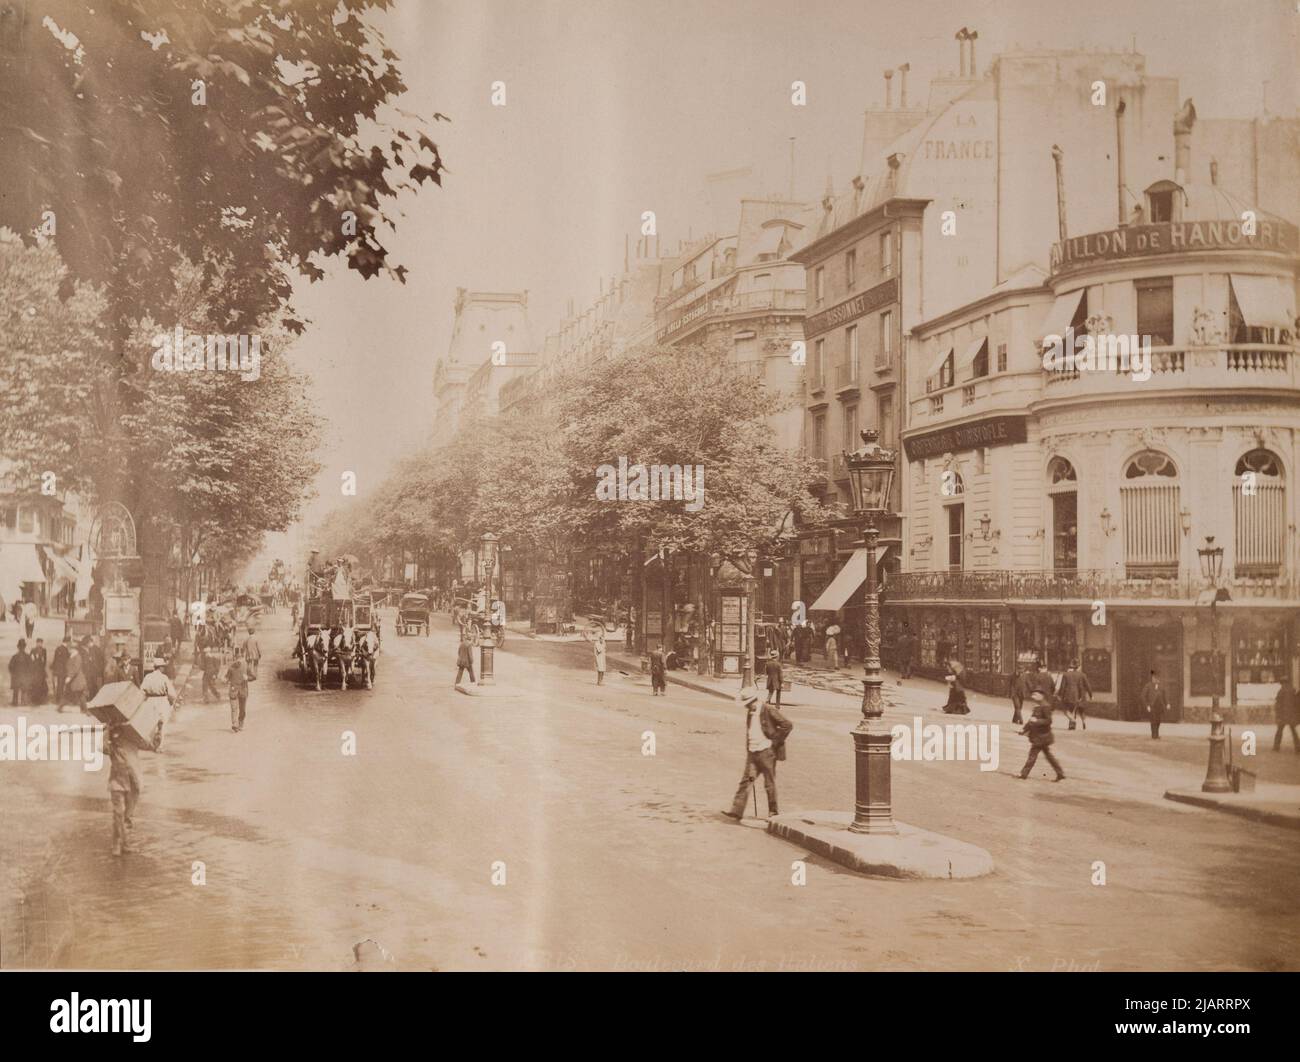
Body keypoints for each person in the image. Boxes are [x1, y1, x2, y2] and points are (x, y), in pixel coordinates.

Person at [723, 686, 792, 821]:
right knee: (746, 781)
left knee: (769, 783)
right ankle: (736, 811)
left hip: (767, 752)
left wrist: (774, 742)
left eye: (747, 705)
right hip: (753, 753)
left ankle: (773, 812)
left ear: (753, 701)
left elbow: (787, 725)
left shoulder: (768, 710)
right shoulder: (750, 712)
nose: (747, 708)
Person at [106, 722, 142, 856]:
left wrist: (160, 727)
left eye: (118, 734)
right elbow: (103, 748)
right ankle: (116, 843)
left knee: (128, 816)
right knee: (118, 813)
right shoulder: (112, 747)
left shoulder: (133, 741)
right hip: (117, 783)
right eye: (114, 735)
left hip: (133, 783)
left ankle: (126, 844)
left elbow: (154, 745)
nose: (117, 737)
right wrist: (107, 730)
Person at [1017, 692, 1065, 781]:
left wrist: (1037, 721)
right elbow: (1031, 720)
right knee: (1048, 756)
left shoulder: (1045, 706)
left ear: (1041, 696)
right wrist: (1024, 729)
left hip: (1042, 736)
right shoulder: (1038, 706)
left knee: (1033, 755)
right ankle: (1060, 773)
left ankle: (1023, 774)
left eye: (1035, 695)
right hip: (1040, 737)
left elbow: (1048, 721)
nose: (1032, 696)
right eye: (1032, 695)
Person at [141, 656, 179, 748]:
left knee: (152, 724)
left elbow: (141, 690)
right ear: (161, 667)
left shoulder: (148, 677)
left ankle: (152, 744)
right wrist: (173, 701)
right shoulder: (164, 677)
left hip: (150, 701)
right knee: (162, 723)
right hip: (162, 701)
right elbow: (171, 693)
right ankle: (160, 745)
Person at [1058, 660, 1093, 731]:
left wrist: (1060, 695)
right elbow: (1087, 685)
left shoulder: (1066, 674)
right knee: (1082, 711)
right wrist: (1090, 695)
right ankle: (1084, 723)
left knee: (1070, 710)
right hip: (1081, 695)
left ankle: (1072, 724)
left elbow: (1063, 686)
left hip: (1069, 695)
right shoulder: (1082, 675)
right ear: (1079, 667)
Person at [58, 640, 87, 713]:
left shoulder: (77, 657)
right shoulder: (72, 656)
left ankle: (85, 710)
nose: (69, 650)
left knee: (80, 694)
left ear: (75, 650)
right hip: (73, 680)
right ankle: (60, 707)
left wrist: (69, 677)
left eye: (70, 649)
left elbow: (75, 669)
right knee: (69, 694)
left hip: (77, 680)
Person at [1141, 670, 1168, 739]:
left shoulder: (1161, 686)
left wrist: (1167, 703)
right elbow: (1143, 696)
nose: (1155, 679)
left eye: (1157, 678)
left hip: (1159, 706)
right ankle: (1154, 735)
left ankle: (1157, 734)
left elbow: (1165, 696)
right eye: (1154, 678)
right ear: (1152, 678)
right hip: (1152, 706)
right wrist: (1147, 705)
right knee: (1153, 721)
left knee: (1158, 721)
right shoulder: (1148, 686)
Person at [1273, 677, 1298, 753]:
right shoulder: (1293, 690)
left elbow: (1278, 704)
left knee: (1279, 731)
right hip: (1291, 714)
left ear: (1282, 683)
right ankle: (1298, 747)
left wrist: (1278, 714)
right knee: (1293, 731)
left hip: (1283, 715)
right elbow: (1296, 703)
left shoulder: (1281, 691)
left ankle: (1276, 746)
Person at [225, 651, 249, 733]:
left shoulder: (231, 667)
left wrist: (225, 680)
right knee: (242, 709)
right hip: (243, 690)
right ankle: (239, 724)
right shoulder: (245, 666)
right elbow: (254, 676)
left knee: (234, 709)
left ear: (235, 658)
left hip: (233, 690)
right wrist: (247, 677)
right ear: (241, 657)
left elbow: (226, 678)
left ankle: (235, 724)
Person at [8, 638, 30, 706]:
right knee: (23, 690)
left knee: (16, 690)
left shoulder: (15, 657)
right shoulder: (27, 656)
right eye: (22, 647)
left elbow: (10, 667)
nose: (21, 648)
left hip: (17, 676)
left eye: (22, 647)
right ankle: (23, 702)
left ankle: (15, 702)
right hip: (23, 676)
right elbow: (30, 667)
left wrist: (13, 673)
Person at [28, 637, 48, 705]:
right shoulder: (33, 650)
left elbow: (45, 661)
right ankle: (34, 699)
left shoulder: (44, 650)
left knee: (42, 685)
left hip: (41, 671)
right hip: (35, 671)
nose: (40, 644)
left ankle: (40, 699)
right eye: (38, 643)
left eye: (41, 643)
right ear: (36, 643)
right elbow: (30, 660)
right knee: (35, 685)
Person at [52, 633, 70, 705]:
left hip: (58, 671)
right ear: (67, 642)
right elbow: (66, 661)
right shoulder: (65, 650)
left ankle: (58, 699)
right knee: (61, 685)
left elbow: (55, 660)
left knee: (60, 685)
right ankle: (59, 700)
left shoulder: (58, 648)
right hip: (63, 671)